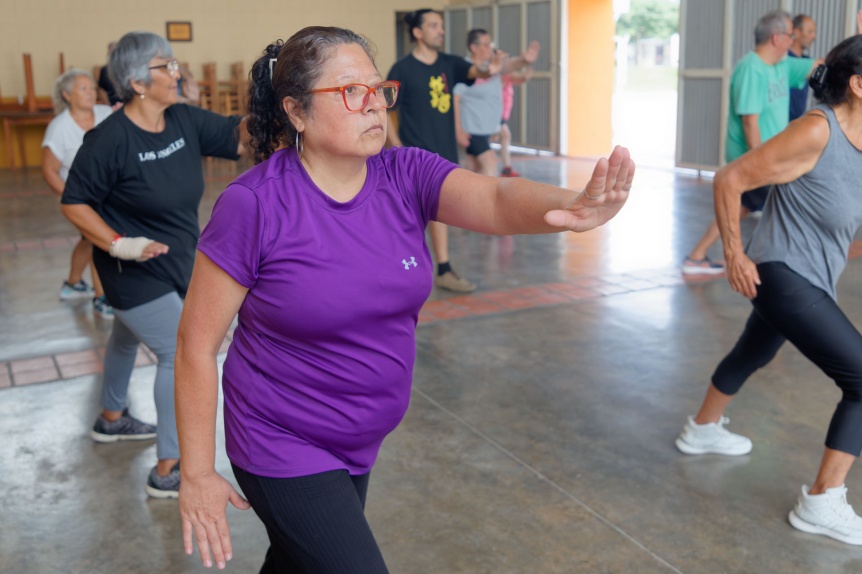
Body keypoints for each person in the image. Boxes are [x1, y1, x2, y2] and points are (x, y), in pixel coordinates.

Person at [175, 26, 634, 572]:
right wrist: (198, 474)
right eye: (351, 92)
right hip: (283, 439)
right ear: (296, 112)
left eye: (378, 90)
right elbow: (195, 346)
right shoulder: (255, 205)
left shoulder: (405, 173)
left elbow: (494, 196)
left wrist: (574, 204)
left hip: (359, 436)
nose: (373, 106)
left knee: (301, 561)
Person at [675, 35, 862, 545]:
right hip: (781, 274)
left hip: (809, 276)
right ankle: (823, 500)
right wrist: (733, 253)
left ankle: (703, 428)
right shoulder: (816, 130)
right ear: (859, 85)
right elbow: (730, 178)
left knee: (752, 351)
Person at [60, 30, 244, 499]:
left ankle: (111, 417)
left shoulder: (182, 119)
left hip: (178, 261)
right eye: (167, 66)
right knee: (176, 354)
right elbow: (75, 202)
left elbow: (237, 136)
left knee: (125, 340)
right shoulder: (108, 139)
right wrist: (119, 244)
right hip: (130, 274)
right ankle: (169, 466)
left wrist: (281, 107)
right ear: (138, 82)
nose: (177, 72)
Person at [386, 9, 538, 293]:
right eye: (433, 26)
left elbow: (479, 71)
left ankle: (443, 269)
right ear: (417, 33)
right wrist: (397, 148)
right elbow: (386, 111)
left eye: (441, 26)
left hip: (443, 155)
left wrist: (492, 66)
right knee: (407, 218)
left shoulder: (449, 63)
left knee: (437, 212)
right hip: (412, 158)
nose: (440, 30)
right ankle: (402, 273)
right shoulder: (402, 70)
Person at [681, 10, 818, 275]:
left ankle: (697, 256)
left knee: (740, 208)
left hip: (771, 157)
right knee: (783, 205)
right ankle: (777, 266)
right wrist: (760, 163)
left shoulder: (782, 65)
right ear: (777, 38)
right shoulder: (750, 69)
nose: (794, 40)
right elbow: (749, 123)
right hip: (752, 158)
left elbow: (822, 64)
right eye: (790, 35)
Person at [42, 69, 115, 318]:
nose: (90, 93)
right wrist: (73, 201)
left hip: (110, 194)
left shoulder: (106, 114)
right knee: (97, 240)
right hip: (81, 198)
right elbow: (50, 171)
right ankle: (102, 297)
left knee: (88, 239)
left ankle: (73, 284)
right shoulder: (59, 127)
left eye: (92, 88)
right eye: (83, 89)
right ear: (67, 94)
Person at [453, 28, 539, 177]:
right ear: (474, 47)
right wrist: (458, 130)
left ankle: (460, 198)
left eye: (490, 44)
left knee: (472, 168)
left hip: (486, 130)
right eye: (486, 45)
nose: (490, 48)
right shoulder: (465, 69)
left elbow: (510, 65)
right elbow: (455, 99)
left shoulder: (493, 65)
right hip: (472, 130)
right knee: (490, 166)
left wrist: (524, 60)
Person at [498, 65, 533, 177]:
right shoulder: (504, 76)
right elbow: (522, 77)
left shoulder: (507, 79)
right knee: (502, 136)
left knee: (504, 136)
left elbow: (523, 78)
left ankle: (506, 168)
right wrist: (526, 63)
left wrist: (528, 67)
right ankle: (503, 167)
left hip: (501, 117)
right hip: (496, 116)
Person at [788, 14, 817, 121]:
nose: (813, 36)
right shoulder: (784, 59)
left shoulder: (808, 61)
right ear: (796, 32)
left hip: (796, 125)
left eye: (814, 32)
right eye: (809, 32)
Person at [97, 42, 122, 106]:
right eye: (110, 52)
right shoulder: (104, 70)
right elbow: (101, 89)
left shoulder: (126, 69)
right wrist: (107, 103)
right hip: (110, 103)